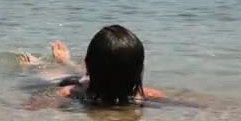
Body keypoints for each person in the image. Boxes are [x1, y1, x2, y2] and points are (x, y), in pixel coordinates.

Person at [18, 25, 166, 108]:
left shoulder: (71, 92)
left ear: (87, 64)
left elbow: (30, 106)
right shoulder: (147, 94)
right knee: (62, 76)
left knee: (47, 75)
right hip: (79, 80)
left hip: (82, 81)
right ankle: (62, 62)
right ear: (140, 68)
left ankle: (41, 65)